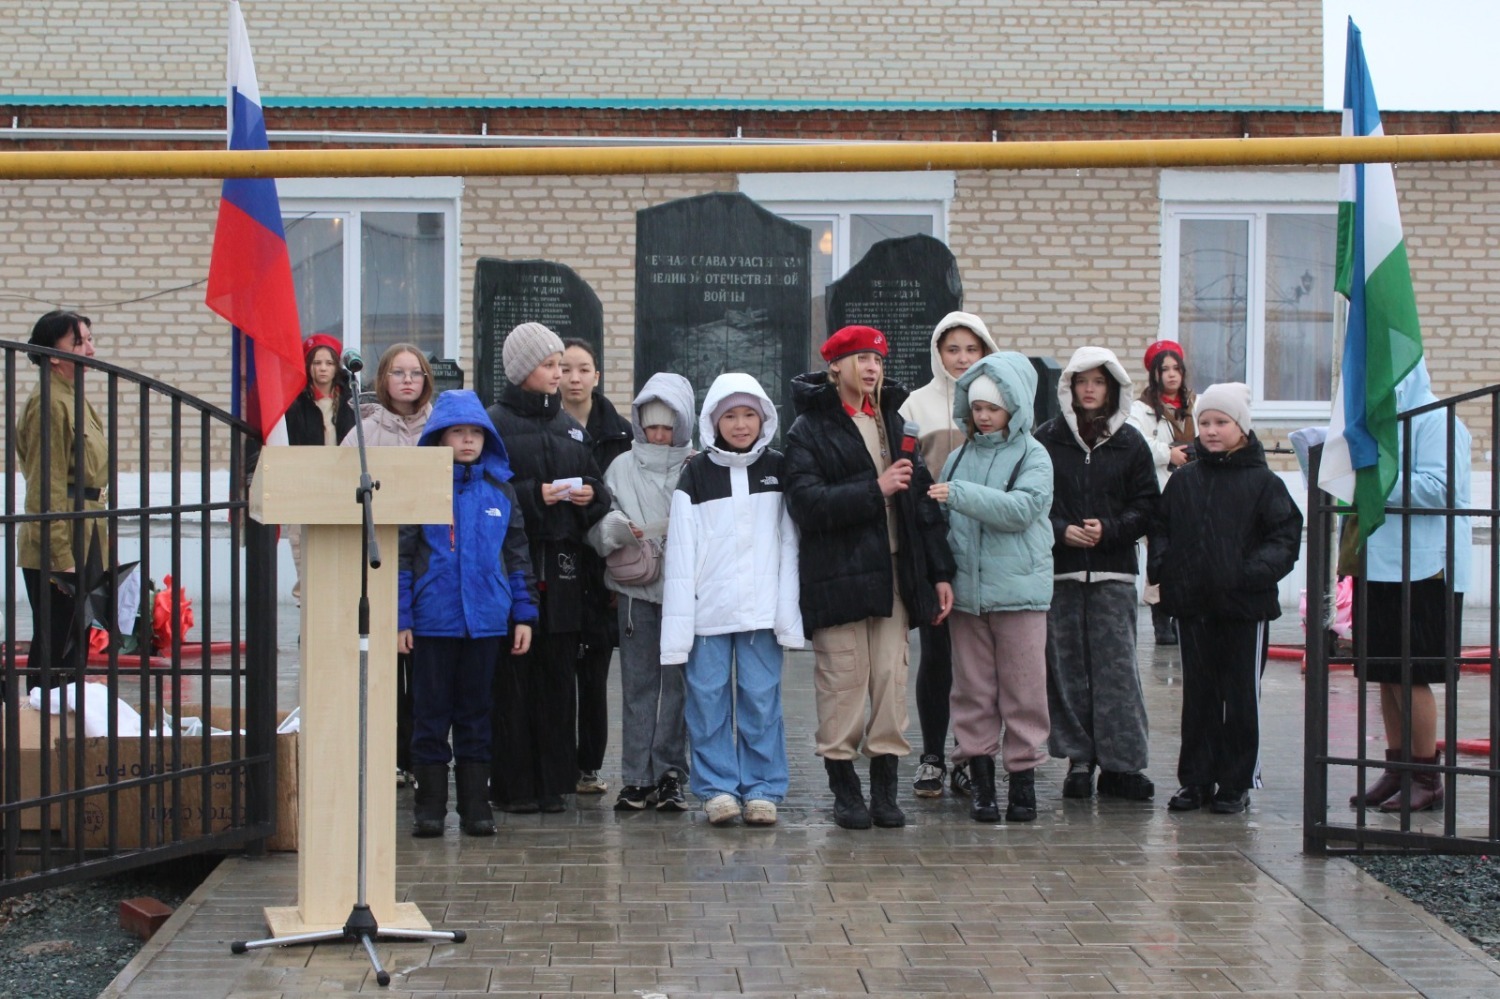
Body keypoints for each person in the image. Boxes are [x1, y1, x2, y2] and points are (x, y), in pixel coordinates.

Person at [784, 324, 956, 830]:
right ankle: (845, 791)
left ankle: (885, 791)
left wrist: (940, 571)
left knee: (890, 682)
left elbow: (922, 504)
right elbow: (805, 503)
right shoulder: (809, 429)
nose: (872, 368)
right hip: (837, 578)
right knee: (843, 684)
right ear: (835, 366)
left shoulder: (894, 421)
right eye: (861, 359)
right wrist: (873, 489)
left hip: (894, 579)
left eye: (878, 360)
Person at [1149, 383, 1302, 815]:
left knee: (1239, 695)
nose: (1212, 431)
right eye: (1205, 423)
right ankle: (1196, 779)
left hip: (1243, 609)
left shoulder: (1263, 483)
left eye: (1222, 423)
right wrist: (1163, 566)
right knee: (1198, 696)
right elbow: (1161, 526)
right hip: (1193, 606)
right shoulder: (1184, 481)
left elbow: (1284, 537)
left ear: (1242, 428)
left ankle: (1236, 781)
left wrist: (1246, 575)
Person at [661, 373, 803, 826]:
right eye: (730, 416)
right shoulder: (696, 474)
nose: (740, 425)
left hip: (762, 610)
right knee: (707, 700)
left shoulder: (780, 468)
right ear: (713, 421)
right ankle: (717, 786)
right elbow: (682, 555)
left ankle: (763, 786)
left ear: (763, 418)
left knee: (761, 699)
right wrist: (679, 628)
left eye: (748, 415)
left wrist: (788, 611)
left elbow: (790, 543)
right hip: (709, 612)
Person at [399, 390, 537, 837]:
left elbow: (517, 555)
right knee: (430, 716)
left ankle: (478, 807)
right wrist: (401, 617)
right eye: (457, 432)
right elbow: (402, 557)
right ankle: (430, 809)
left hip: (487, 623)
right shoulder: (420, 490)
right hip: (433, 622)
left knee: (477, 714)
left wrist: (523, 614)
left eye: (475, 432)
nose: (467, 441)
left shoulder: (501, 490)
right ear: (438, 439)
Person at [485, 322, 610, 813]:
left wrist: (589, 495)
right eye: (549, 365)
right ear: (521, 371)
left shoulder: (570, 427)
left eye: (561, 364)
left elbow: (600, 490)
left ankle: (554, 781)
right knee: (513, 681)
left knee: (558, 679)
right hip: (513, 568)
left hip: (562, 573)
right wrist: (533, 496)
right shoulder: (493, 423)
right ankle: (513, 784)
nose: (559, 374)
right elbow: (481, 492)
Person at [928, 352, 1054, 823]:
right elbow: (940, 518)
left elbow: (1023, 509)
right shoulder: (959, 457)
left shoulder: (1033, 454)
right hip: (968, 596)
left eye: (992, 408)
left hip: (1019, 594)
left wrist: (960, 496)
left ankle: (1023, 782)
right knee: (972, 690)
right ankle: (980, 780)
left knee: (1024, 691)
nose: (982, 416)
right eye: (976, 407)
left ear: (1015, 408)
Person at [1035, 346, 1158, 802]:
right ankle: (1078, 760)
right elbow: (1032, 503)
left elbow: (1147, 507)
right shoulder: (1047, 440)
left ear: (1112, 387)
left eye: (1098, 381)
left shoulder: (1131, 443)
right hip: (1061, 575)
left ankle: (1123, 765)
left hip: (1113, 574)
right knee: (1067, 669)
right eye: (1081, 381)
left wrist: (1110, 529)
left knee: (1117, 671)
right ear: (1069, 386)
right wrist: (1061, 531)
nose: (1089, 389)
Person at [1347, 360, 1471, 814]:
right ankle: (1398, 767)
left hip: (1425, 567)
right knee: (1382, 669)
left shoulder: (1437, 419)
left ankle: (1426, 774)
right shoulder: (1375, 423)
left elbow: (1443, 489)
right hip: (1378, 561)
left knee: (1412, 671)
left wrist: (1371, 477)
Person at [899, 311, 999, 799]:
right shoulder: (915, 404)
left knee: (978, 663)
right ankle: (933, 756)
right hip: (936, 541)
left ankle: (972, 755)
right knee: (937, 658)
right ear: (938, 352)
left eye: (971, 349)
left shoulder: (998, 401)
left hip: (990, 545)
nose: (961, 358)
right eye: (952, 349)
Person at [588, 372, 696, 812]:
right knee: (637, 687)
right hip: (635, 595)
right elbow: (596, 532)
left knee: (677, 687)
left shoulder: (698, 465)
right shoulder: (619, 467)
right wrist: (614, 528)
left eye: (667, 426)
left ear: (683, 424)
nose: (658, 434)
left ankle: (670, 774)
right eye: (651, 426)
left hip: (683, 593)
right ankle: (635, 777)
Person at [340, 343, 435, 789]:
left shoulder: (440, 426)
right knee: (381, 668)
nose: (408, 380)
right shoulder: (364, 430)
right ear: (383, 378)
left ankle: (418, 758)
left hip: (427, 563)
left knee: (421, 672)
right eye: (398, 372)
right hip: (377, 560)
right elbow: (338, 483)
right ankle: (383, 756)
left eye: (415, 372)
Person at [17, 310, 107, 692]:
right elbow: (46, 486)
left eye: (89, 339)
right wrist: (61, 557)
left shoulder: (75, 398)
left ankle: (66, 734)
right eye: (79, 342)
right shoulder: (50, 402)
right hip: (61, 540)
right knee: (57, 648)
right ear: (54, 354)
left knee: (76, 648)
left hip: (84, 529)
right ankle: (42, 737)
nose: (90, 348)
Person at [558, 338, 632, 797]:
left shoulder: (619, 432)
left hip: (604, 565)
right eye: (565, 368)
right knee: (560, 672)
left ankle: (589, 765)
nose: (574, 377)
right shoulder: (544, 424)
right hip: (562, 558)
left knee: (597, 673)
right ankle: (560, 759)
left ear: (597, 376)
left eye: (583, 369)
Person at [1128, 339, 1197, 646]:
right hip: (1159, 495)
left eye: (1176, 368)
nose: (1171, 375)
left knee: (1190, 557)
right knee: (1160, 557)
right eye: (1164, 369)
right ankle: (1161, 621)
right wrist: (1168, 453)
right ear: (1154, 374)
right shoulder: (1141, 409)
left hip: (1194, 496)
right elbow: (1135, 443)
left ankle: (1185, 616)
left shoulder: (1197, 405)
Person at [282, 332, 356, 603]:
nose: (322, 369)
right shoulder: (295, 402)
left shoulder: (351, 400)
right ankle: (307, 609)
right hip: (306, 484)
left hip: (342, 484)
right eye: (316, 362)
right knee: (304, 549)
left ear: (337, 367)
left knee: (340, 550)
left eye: (328, 362)